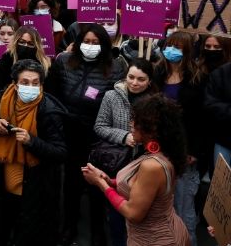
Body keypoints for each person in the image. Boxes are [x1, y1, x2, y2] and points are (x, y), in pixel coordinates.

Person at [49, 23, 126, 246]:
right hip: (69, 133)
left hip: (98, 135)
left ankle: (97, 231)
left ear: (104, 45)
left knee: (97, 185)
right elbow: (53, 94)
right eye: (86, 42)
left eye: (95, 43)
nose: (90, 46)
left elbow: (116, 103)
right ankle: (69, 227)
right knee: (71, 184)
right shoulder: (63, 61)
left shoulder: (116, 67)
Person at [82, 94, 191, 246]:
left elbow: (133, 213)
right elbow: (141, 187)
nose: (131, 124)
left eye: (136, 121)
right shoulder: (162, 152)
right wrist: (110, 181)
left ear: (151, 129)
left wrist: (101, 183)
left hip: (156, 240)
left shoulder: (152, 166)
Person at [0, 59, 68, 246]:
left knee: (28, 233)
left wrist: (32, 142)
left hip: (34, 186)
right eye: (25, 83)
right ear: (14, 84)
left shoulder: (49, 111)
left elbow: (60, 151)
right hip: (3, 181)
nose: (30, 87)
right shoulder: (2, 98)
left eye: (35, 83)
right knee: (1, 228)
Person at [94, 59, 157, 246]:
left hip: (144, 164)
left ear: (149, 82)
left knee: (141, 214)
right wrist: (124, 136)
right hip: (118, 163)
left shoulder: (156, 102)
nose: (134, 83)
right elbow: (100, 126)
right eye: (131, 77)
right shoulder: (111, 97)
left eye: (141, 79)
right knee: (117, 215)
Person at [154, 31, 209, 246]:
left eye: (177, 47)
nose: (171, 51)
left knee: (184, 205)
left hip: (185, 149)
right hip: (157, 148)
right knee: (160, 204)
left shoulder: (197, 78)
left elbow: (202, 120)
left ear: (187, 52)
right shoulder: (158, 72)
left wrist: (194, 150)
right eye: (169, 45)